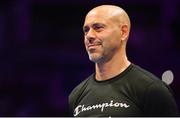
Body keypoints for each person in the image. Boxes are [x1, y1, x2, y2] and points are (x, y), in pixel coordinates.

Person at [69, 5, 179, 116]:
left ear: (123, 32)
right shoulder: (76, 95)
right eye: (86, 30)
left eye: (98, 28)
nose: (89, 36)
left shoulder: (151, 89)